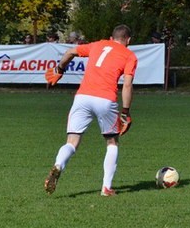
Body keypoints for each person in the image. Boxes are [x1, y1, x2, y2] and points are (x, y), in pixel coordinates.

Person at [44, 24, 138, 197]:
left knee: (72, 142)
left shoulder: (98, 44)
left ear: (111, 38)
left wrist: (59, 69)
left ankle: (58, 165)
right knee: (112, 142)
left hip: (83, 97)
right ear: (128, 40)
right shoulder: (129, 55)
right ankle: (106, 188)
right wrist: (125, 111)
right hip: (106, 99)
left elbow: (70, 52)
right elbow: (127, 84)